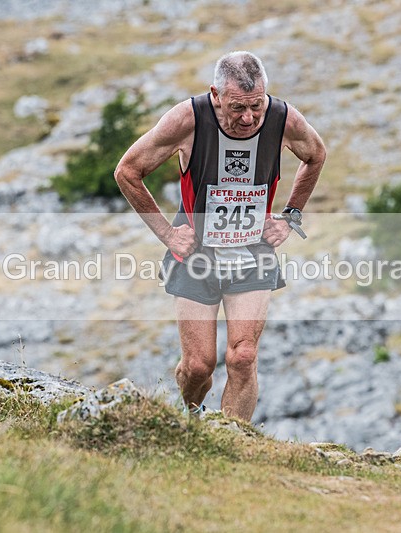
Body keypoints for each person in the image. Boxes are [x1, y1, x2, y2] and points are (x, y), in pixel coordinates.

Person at [115, 51, 326, 421]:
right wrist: (167, 233)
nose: (248, 118)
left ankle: (232, 442)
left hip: (253, 252)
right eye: (237, 108)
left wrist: (290, 217)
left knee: (242, 357)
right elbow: (127, 171)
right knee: (199, 367)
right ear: (216, 95)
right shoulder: (187, 120)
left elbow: (316, 155)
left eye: (256, 106)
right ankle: (190, 418)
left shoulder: (283, 119)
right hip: (197, 254)